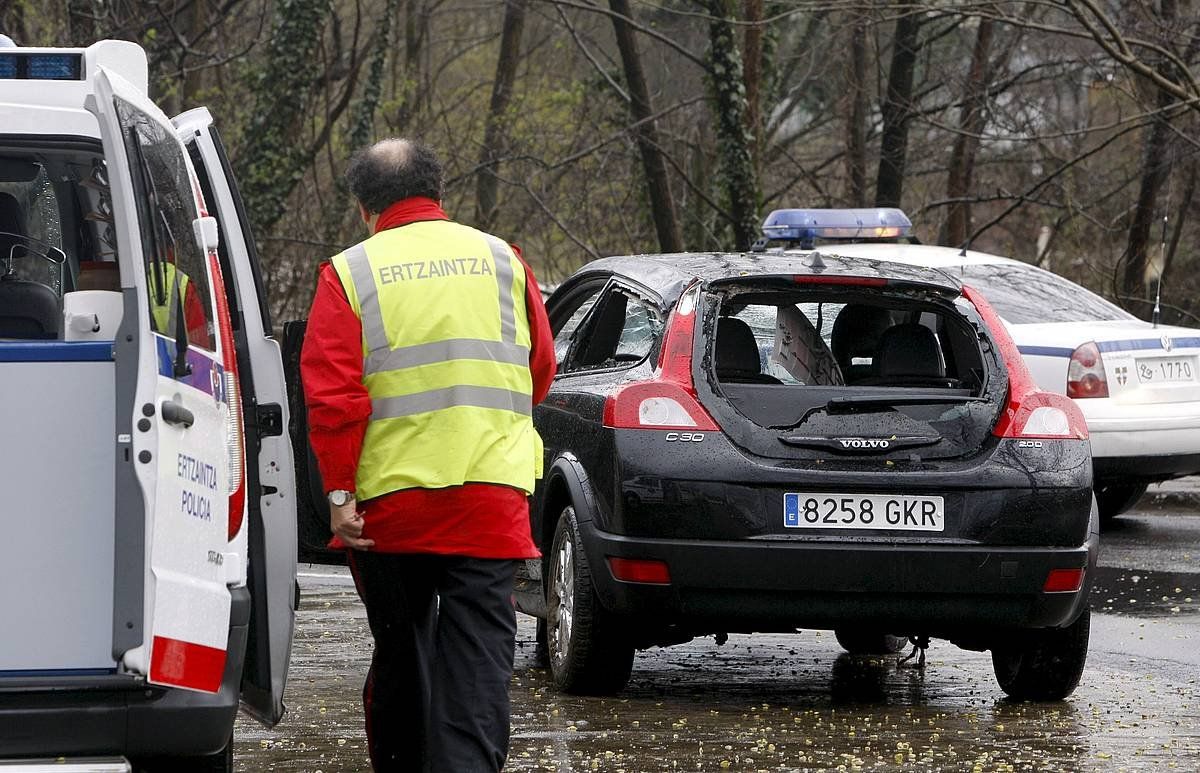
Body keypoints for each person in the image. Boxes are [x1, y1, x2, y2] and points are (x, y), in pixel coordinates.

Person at [300, 138, 556, 772]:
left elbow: (333, 399)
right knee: (476, 664)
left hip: (389, 512)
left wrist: (338, 496)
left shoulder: (350, 272)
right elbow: (540, 371)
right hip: (489, 503)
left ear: (364, 208)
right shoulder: (504, 261)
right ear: (440, 196)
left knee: (402, 650)